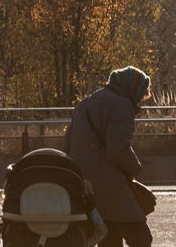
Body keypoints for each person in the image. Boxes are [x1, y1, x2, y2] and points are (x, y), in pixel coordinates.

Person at [63, 66, 153, 247]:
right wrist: (136, 169)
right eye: (141, 94)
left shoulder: (84, 103)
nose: (140, 100)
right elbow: (118, 150)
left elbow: (68, 146)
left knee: (108, 239)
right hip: (111, 185)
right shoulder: (121, 104)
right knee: (141, 237)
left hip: (86, 187)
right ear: (134, 89)